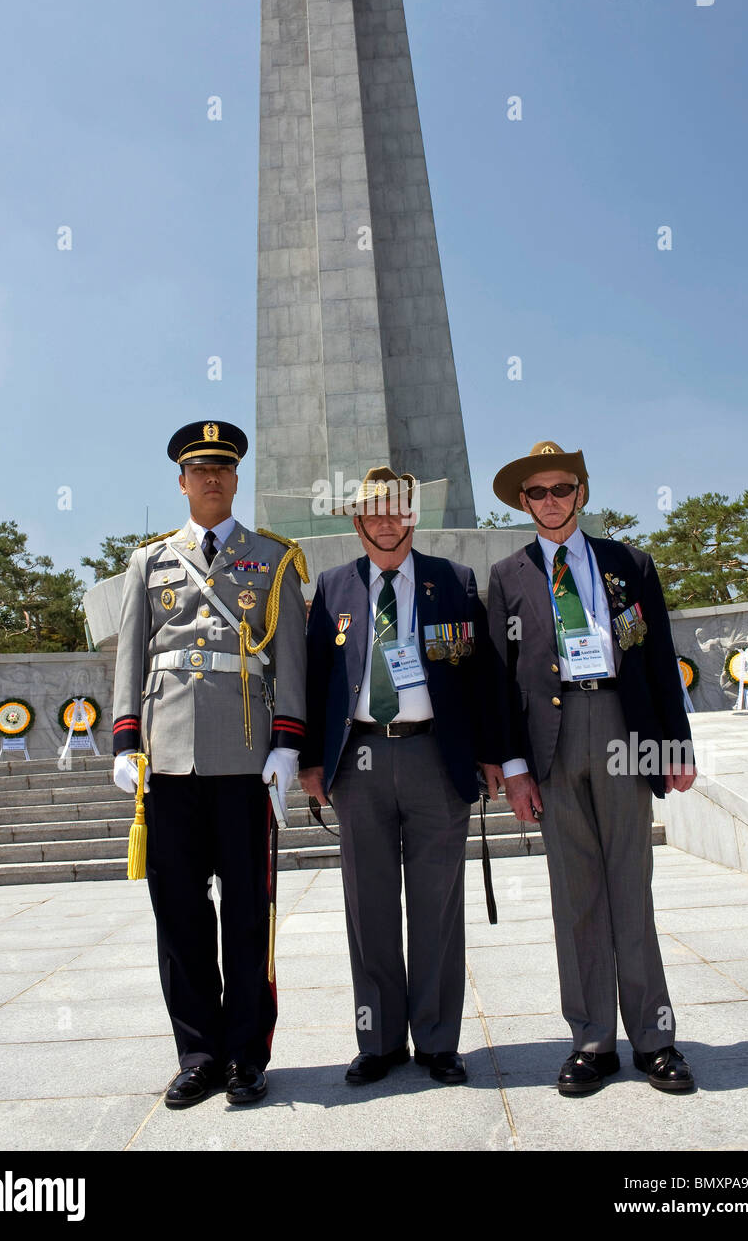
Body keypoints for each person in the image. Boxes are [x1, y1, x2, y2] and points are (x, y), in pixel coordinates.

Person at [487, 441, 697, 1096]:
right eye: (536, 493)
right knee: (575, 896)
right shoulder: (508, 575)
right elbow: (497, 679)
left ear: (580, 492)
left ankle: (655, 1038)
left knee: (631, 888)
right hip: (550, 741)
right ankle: (590, 1040)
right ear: (523, 502)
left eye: (560, 489)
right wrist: (514, 766)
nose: (548, 501)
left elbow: (658, 656)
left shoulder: (627, 563)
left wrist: (675, 742)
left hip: (620, 725)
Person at [112, 420, 307, 1108]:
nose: (212, 479)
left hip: (244, 758)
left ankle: (246, 1056)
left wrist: (288, 743)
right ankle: (197, 1054)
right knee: (180, 914)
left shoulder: (274, 558)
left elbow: (292, 660)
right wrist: (125, 742)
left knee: (248, 915)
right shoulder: (149, 562)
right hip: (167, 761)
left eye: (223, 468)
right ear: (182, 481)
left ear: (235, 478)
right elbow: (131, 654)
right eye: (200, 469)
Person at [299, 466, 505, 1086]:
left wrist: (492, 752)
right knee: (369, 906)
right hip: (358, 761)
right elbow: (314, 679)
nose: (386, 523)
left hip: (434, 757)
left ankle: (439, 1039)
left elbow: (482, 675)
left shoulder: (454, 581)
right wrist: (311, 759)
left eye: (397, 512)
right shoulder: (333, 588)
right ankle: (379, 1038)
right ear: (358, 524)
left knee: (438, 903)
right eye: (373, 514)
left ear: (412, 518)